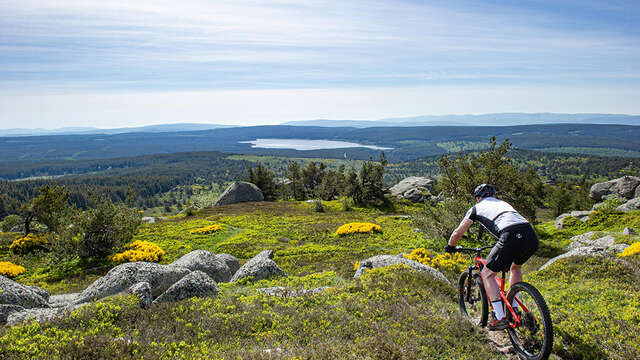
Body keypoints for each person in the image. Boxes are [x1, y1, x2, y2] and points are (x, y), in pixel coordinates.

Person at [445, 184, 539, 330]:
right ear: (493, 195)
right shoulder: (504, 204)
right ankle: (514, 308)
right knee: (515, 267)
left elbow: (458, 233)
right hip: (530, 235)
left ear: (478, 198)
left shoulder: (475, 208)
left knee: (487, 274)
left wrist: (450, 247)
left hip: (510, 235)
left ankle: (499, 317)